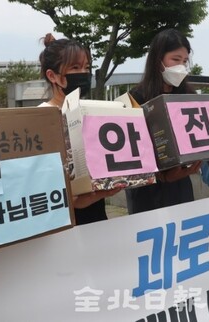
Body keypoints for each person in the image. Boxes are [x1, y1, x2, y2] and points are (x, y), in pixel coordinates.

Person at [37, 33, 120, 224]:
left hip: (97, 216)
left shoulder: (91, 110)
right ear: (53, 76)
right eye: (75, 67)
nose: (84, 73)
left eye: (87, 67)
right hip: (63, 223)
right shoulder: (42, 118)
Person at [125, 28, 201, 214]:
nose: (181, 67)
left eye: (184, 61)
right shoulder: (136, 97)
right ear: (158, 59)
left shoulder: (188, 96)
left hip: (181, 187)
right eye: (175, 60)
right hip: (147, 192)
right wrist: (162, 175)